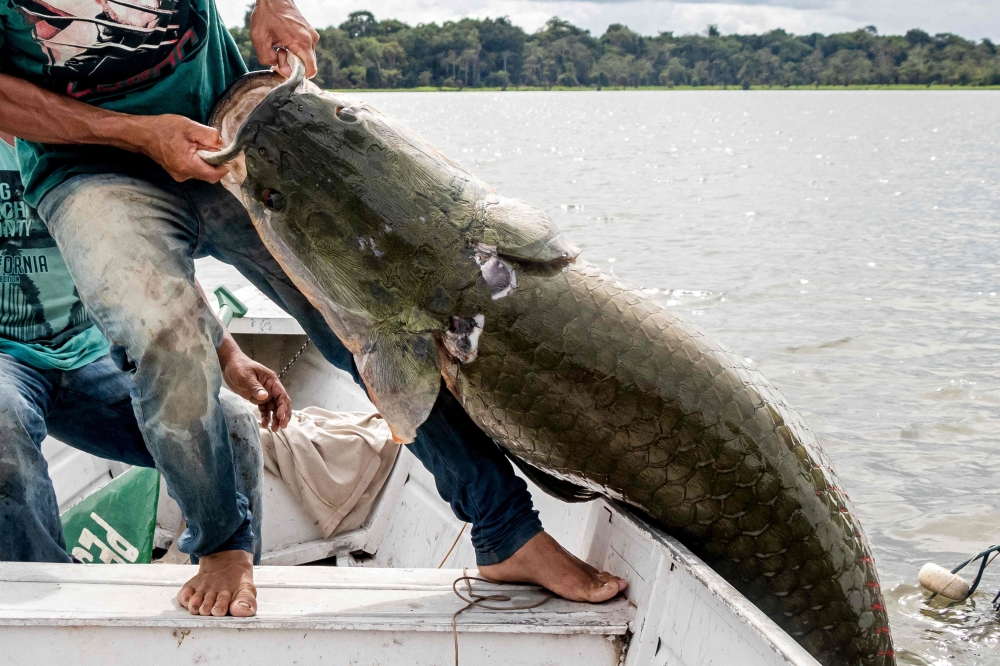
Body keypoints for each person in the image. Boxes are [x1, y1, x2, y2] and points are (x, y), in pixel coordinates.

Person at [0, 0, 627, 616]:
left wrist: (274, 3)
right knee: (164, 336)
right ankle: (222, 545)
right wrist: (137, 132)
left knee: (369, 324)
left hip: (226, 128)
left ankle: (507, 533)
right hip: (88, 168)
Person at [0, 131, 293, 608]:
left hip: (94, 352)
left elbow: (155, 263)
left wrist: (230, 355)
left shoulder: (85, 139)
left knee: (234, 424)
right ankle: (43, 601)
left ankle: (234, 581)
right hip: (7, 361)